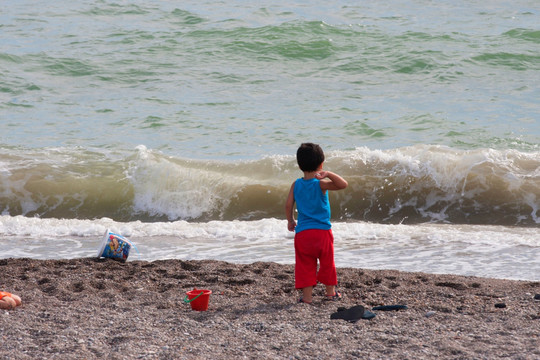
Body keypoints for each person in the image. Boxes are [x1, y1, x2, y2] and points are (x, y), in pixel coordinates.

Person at [285, 143, 348, 304]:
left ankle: (307, 298)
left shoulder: (296, 184)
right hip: (322, 233)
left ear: (299, 165)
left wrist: (291, 220)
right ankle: (330, 293)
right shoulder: (320, 183)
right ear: (321, 164)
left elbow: (288, 204)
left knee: (305, 265)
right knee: (327, 263)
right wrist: (328, 174)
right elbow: (343, 184)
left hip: (303, 234)